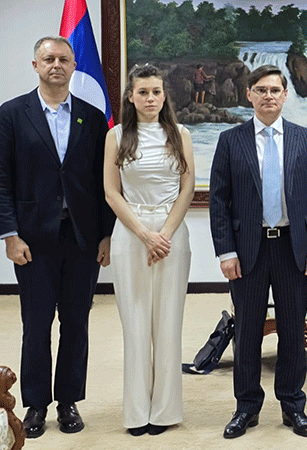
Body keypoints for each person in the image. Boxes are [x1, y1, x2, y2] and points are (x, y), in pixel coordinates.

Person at [0, 36, 114, 438]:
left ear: (73, 66)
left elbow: (104, 184)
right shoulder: (11, 114)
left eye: (64, 59)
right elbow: (2, 179)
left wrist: (106, 235)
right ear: (35, 65)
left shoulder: (93, 118)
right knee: (36, 324)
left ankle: (68, 401)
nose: (56, 65)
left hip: (83, 239)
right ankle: (35, 404)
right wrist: (10, 235)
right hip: (32, 241)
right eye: (48, 59)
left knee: (76, 323)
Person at [209, 64, 307, 439]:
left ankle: (293, 405)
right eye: (260, 90)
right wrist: (226, 252)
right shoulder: (231, 140)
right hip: (249, 250)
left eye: (275, 90)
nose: (268, 96)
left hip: (294, 248)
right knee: (247, 333)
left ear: (285, 95)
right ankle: (246, 407)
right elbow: (219, 201)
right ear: (249, 95)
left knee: (293, 332)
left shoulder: (305, 138)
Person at [103, 64, 194, 436]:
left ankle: (165, 411)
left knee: (168, 324)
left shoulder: (181, 134)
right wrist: (144, 234)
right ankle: (137, 412)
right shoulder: (116, 136)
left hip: (172, 235)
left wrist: (164, 235)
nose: (150, 98)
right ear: (131, 96)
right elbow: (111, 192)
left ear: (164, 95)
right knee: (136, 325)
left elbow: (187, 188)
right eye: (143, 92)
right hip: (131, 233)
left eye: (156, 91)